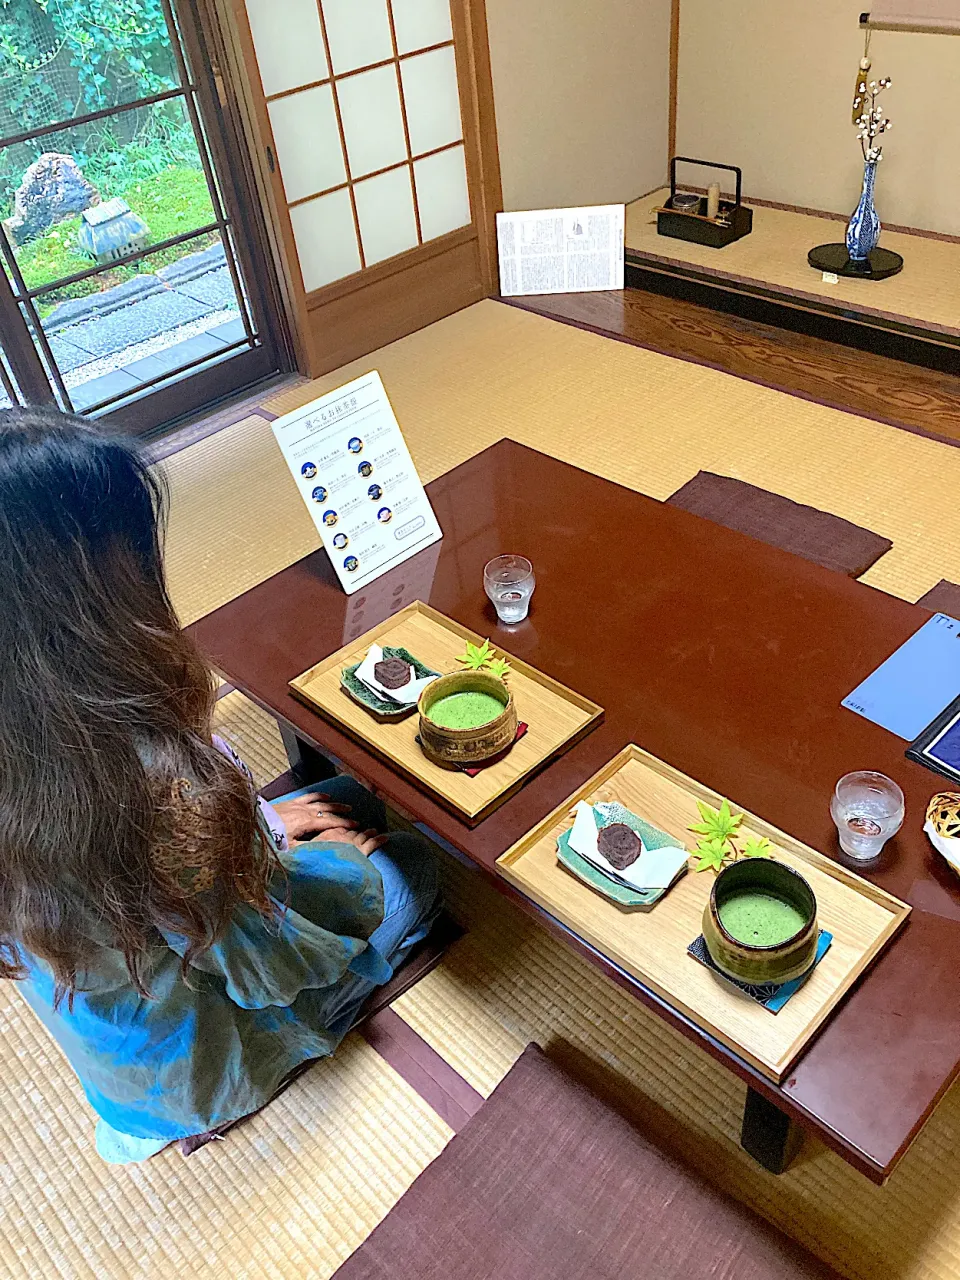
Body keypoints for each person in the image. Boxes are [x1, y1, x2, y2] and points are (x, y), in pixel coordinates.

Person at [0, 408, 440, 1163]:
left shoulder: (40, 754)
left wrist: (256, 833)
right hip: (207, 1066)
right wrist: (346, 870)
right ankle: (262, 1075)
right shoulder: (162, 794)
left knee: (345, 795)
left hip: (123, 1054)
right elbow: (271, 971)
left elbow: (159, 890)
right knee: (421, 865)